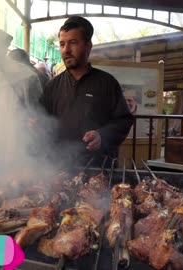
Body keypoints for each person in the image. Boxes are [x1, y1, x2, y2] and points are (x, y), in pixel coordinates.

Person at [40, 16, 133, 165]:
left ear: (88, 46)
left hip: (99, 169)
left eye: (73, 43)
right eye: (62, 44)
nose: (66, 50)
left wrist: (102, 136)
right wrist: (33, 123)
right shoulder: (52, 86)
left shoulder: (107, 83)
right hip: (60, 169)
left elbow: (124, 120)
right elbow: (42, 122)